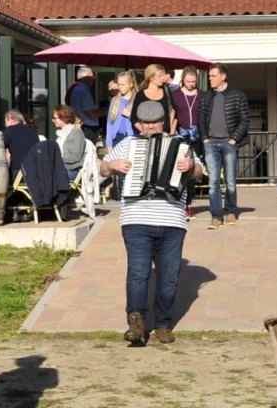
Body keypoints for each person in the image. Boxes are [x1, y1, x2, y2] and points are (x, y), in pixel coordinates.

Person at [103, 100, 203, 345]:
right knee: (138, 274)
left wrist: (191, 166)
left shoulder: (182, 145)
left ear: (163, 122)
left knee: (169, 277)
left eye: (155, 122)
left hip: (173, 220)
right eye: (146, 123)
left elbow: (200, 172)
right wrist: (113, 165)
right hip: (136, 219)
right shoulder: (128, 144)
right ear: (138, 124)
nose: (150, 127)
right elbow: (104, 168)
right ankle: (136, 324)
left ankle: (163, 324)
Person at [197, 63, 248, 229]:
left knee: (230, 181)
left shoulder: (237, 95)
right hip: (210, 144)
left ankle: (230, 212)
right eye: (209, 76)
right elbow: (200, 120)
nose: (210, 79)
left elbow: (244, 120)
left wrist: (234, 139)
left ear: (223, 76)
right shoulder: (206, 96)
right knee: (213, 182)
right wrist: (205, 138)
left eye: (213, 76)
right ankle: (216, 216)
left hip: (229, 143)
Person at [131, 64, 176, 134]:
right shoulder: (140, 95)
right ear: (151, 77)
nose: (163, 78)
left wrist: (172, 132)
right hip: (148, 135)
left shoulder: (167, 91)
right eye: (160, 76)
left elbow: (174, 113)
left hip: (166, 134)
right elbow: (134, 118)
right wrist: (146, 132)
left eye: (163, 75)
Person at [66, 67, 106, 143]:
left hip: (83, 126)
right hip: (87, 129)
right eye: (92, 76)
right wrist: (108, 111)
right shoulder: (82, 91)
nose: (93, 78)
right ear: (85, 77)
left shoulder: (78, 89)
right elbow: (91, 114)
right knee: (88, 149)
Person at [52, 106, 90, 180]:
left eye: (55, 118)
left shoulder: (76, 132)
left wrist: (57, 159)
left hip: (71, 169)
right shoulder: (60, 134)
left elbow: (76, 156)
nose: (52, 120)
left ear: (63, 118)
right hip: (61, 167)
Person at [105, 70, 138, 150]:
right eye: (119, 84)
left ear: (131, 84)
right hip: (117, 138)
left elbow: (141, 122)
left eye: (123, 85)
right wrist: (109, 145)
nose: (120, 87)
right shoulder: (115, 100)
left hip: (133, 138)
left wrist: (130, 115)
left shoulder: (137, 99)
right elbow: (109, 123)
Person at [2, 110, 40, 175]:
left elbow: (0, 148)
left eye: (6, 123)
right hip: (34, 171)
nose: (6, 126)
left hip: (19, 172)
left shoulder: (9, 130)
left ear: (10, 119)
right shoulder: (32, 132)